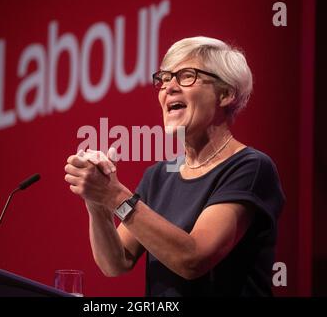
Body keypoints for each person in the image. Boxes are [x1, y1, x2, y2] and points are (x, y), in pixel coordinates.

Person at [64, 36, 285, 296]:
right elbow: (116, 262)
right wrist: (97, 202)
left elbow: (193, 258)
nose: (169, 87)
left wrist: (113, 195)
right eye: (165, 79)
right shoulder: (158, 176)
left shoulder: (250, 167)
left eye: (186, 76)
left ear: (225, 94)